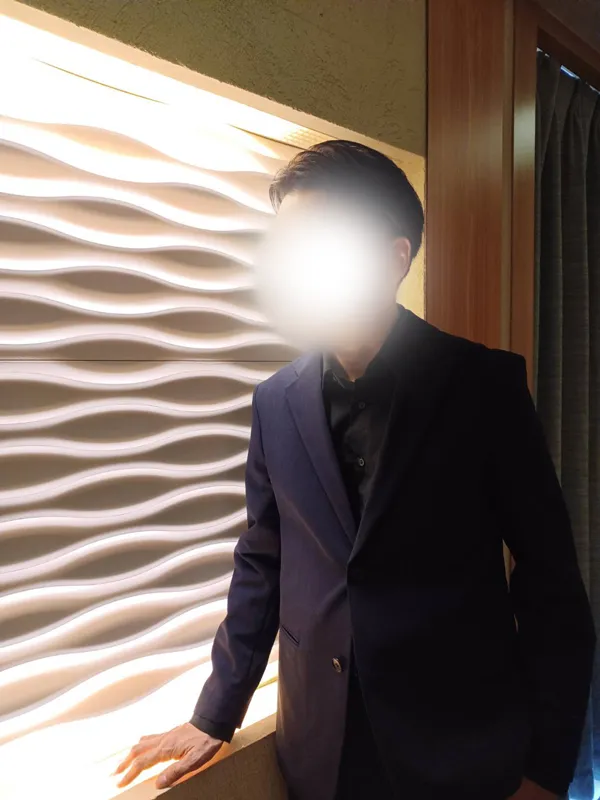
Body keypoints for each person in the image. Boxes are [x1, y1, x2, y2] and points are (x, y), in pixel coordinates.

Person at [115, 140, 595, 800]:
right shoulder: (276, 401)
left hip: (464, 749)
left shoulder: (483, 385)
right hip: (323, 752)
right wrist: (215, 711)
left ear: (394, 258)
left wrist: (545, 769)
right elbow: (263, 561)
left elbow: (552, 583)